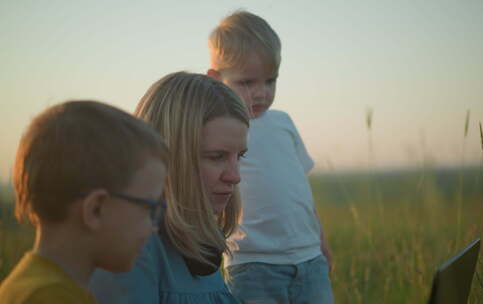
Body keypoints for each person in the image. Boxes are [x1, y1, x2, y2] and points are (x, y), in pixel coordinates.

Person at [207, 10, 334, 303]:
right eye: (247, 83)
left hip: (309, 260)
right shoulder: (221, 131)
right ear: (216, 78)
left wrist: (321, 240)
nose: (261, 93)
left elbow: (301, 190)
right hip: (253, 265)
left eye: (270, 80)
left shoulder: (283, 123)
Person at [90, 72, 249, 304]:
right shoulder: (131, 247)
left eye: (240, 157)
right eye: (216, 157)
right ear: (169, 155)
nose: (235, 177)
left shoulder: (199, 236)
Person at [0, 100, 168, 304]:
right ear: (95, 209)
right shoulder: (49, 298)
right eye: (149, 208)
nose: (153, 227)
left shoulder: (47, 288)